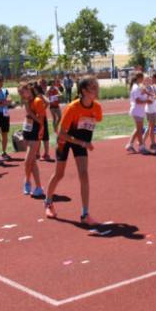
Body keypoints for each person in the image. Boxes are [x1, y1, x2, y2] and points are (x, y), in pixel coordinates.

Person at [43, 77, 102, 226]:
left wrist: (84, 140)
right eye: (93, 87)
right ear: (84, 91)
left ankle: (85, 214)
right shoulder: (72, 108)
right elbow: (62, 134)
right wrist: (82, 142)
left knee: (84, 174)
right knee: (59, 174)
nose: (96, 90)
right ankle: (48, 202)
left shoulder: (97, 108)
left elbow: (91, 123)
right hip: (65, 141)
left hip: (80, 142)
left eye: (96, 86)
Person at [19, 82, 46, 197]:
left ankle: (27, 181)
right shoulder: (27, 102)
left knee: (27, 161)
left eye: (23, 91)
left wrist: (30, 113)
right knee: (32, 162)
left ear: (29, 90)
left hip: (35, 132)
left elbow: (41, 120)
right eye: (20, 93)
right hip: (27, 130)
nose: (21, 94)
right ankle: (38, 187)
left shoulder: (37, 101)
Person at [125, 72, 150, 154]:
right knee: (139, 130)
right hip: (137, 110)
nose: (143, 80)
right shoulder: (136, 87)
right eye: (142, 78)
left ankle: (130, 145)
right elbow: (138, 101)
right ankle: (141, 147)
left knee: (138, 129)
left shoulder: (137, 87)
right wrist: (147, 101)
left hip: (138, 111)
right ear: (139, 78)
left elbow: (140, 97)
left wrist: (145, 94)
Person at [0, 77, 12, 161]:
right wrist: (3, 102)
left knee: (5, 134)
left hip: (5, 114)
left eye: (2, 81)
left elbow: (9, 100)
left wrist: (1, 102)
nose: (1, 83)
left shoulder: (5, 91)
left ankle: (4, 152)